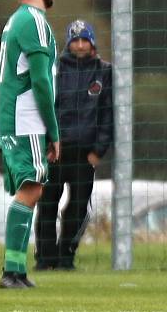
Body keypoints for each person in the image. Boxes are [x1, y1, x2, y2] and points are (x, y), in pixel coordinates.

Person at [0, 0, 60, 289]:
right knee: (31, 186)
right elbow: (40, 81)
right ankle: (11, 271)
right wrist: (54, 130)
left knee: (33, 186)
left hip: (16, 115)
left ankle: (17, 270)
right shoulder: (34, 21)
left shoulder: (15, 21)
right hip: (27, 116)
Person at [34, 19, 113, 270]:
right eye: (75, 40)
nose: (79, 45)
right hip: (55, 151)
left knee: (78, 207)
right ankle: (45, 259)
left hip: (85, 153)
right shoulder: (55, 69)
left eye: (84, 40)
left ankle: (66, 256)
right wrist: (46, 143)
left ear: (92, 43)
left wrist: (99, 150)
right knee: (47, 204)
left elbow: (108, 112)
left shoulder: (104, 71)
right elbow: (45, 106)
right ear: (68, 43)